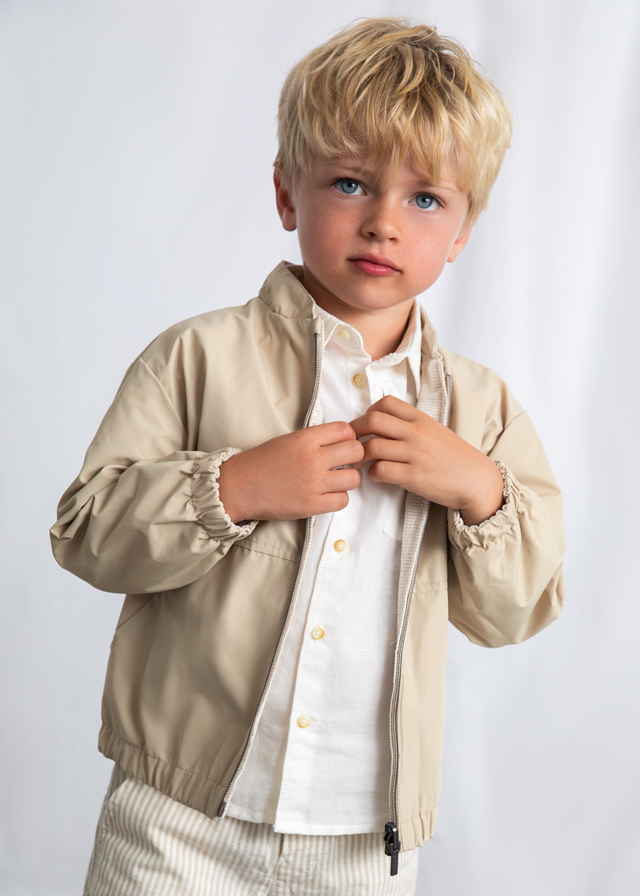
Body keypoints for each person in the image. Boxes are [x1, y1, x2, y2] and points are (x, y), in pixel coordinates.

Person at [50, 17, 565, 896]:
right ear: (288, 193)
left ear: (464, 230)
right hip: (176, 824)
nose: (384, 223)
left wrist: (481, 490)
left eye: (426, 199)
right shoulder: (196, 357)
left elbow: (515, 613)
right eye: (351, 182)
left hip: (364, 842)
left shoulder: (481, 411)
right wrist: (231, 488)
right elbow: (85, 532)